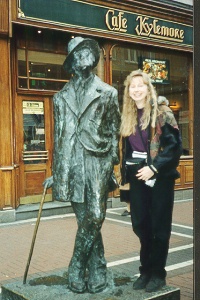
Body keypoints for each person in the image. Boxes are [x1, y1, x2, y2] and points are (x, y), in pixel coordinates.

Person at [43, 37, 120, 294]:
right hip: (72, 165)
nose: (85, 54)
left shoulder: (108, 92)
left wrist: (111, 162)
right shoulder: (60, 97)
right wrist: (57, 172)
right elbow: (59, 136)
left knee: (95, 216)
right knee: (84, 220)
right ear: (72, 62)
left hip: (98, 162)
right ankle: (98, 269)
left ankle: (75, 266)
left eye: (88, 50)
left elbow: (114, 130)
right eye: (79, 52)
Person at [120, 69, 182, 293]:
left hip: (160, 177)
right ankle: (145, 270)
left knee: (159, 227)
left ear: (148, 88)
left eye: (140, 85)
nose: (136, 89)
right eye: (132, 86)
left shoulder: (162, 113)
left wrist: (154, 168)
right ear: (128, 91)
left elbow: (174, 147)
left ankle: (157, 274)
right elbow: (127, 148)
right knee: (141, 225)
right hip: (137, 176)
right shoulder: (128, 114)